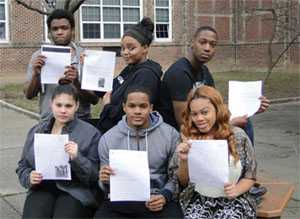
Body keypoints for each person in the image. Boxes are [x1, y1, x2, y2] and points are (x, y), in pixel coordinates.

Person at [158, 26, 270, 144]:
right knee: (238, 130)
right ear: (192, 43)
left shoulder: (204, 72)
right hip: (179, 134)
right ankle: (235, 161)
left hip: (200, 124)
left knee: (245, 121)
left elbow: (217, 107)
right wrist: (229, 125)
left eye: (212, 44)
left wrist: (251, 107)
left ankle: (240, 162)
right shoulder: (179, 74)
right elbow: (183, 122)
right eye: (203, 42)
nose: (207, 48)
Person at [16, 82, 102, 218]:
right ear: (51, 104)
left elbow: (95, 177)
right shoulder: (37, 131)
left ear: (77, 106)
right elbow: (22, 166)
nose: (63, 110)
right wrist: (29, 178)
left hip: (74, 190)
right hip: (42, 187)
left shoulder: (91, 134)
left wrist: (77, 158)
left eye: (68, 106)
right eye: (58, 105)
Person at [94, 86, 183, 218]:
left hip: (156, 198)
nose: (137, 111)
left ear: (151, 107)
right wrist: (104, 180)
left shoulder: (170, 135)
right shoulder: (108, 139)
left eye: (143, 106)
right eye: (132, 106)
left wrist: (165, 195)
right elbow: (105, 185)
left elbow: (175, 176)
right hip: (120, 200)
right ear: (124, 107)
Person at [173, 85, 257, 218]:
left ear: (217, 110)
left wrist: (237, 190)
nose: (199, 118)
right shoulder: (187, 137)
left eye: (205, 112)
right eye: (194, 114)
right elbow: (183, 182)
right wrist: (184, 160)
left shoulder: (238, 136)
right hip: (199, 200)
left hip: (233, 201)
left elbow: (250, 176)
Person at [24, 9, 98, 121]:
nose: (59, 32)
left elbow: (94, 100)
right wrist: (36, 75)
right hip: (49, 122)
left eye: (64, 28)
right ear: (49, 32)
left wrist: (76, 82)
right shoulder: (38, 56)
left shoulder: (86, 57)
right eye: (55, 29)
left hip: (81, 122)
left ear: (72, 30)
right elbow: (29, 95)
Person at [96, 17, 162, 134]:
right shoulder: (131, 68)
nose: (125, 52)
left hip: (129, 136)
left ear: (145, 48)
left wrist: (107, 106)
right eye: (123, 48)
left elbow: (131, 113)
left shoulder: (146, 75)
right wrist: (89, 67)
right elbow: (107, 88)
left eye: (131, 48)